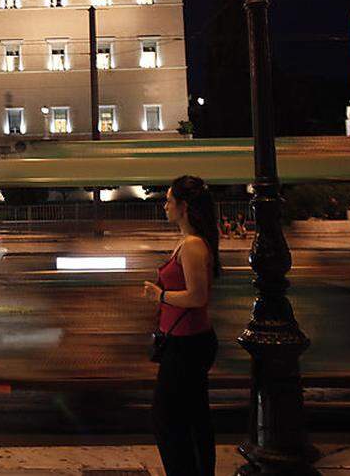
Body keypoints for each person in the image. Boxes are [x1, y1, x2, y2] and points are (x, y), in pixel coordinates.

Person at [142, 175, 220, 476]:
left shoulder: (192, 246)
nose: (164, 206)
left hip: (188, 345)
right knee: (192, 418)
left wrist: (160, 295)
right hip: (185, 341)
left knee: (167, 419)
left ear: (183, 207)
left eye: (169, 201)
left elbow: (197, 296)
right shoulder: (188, 243)